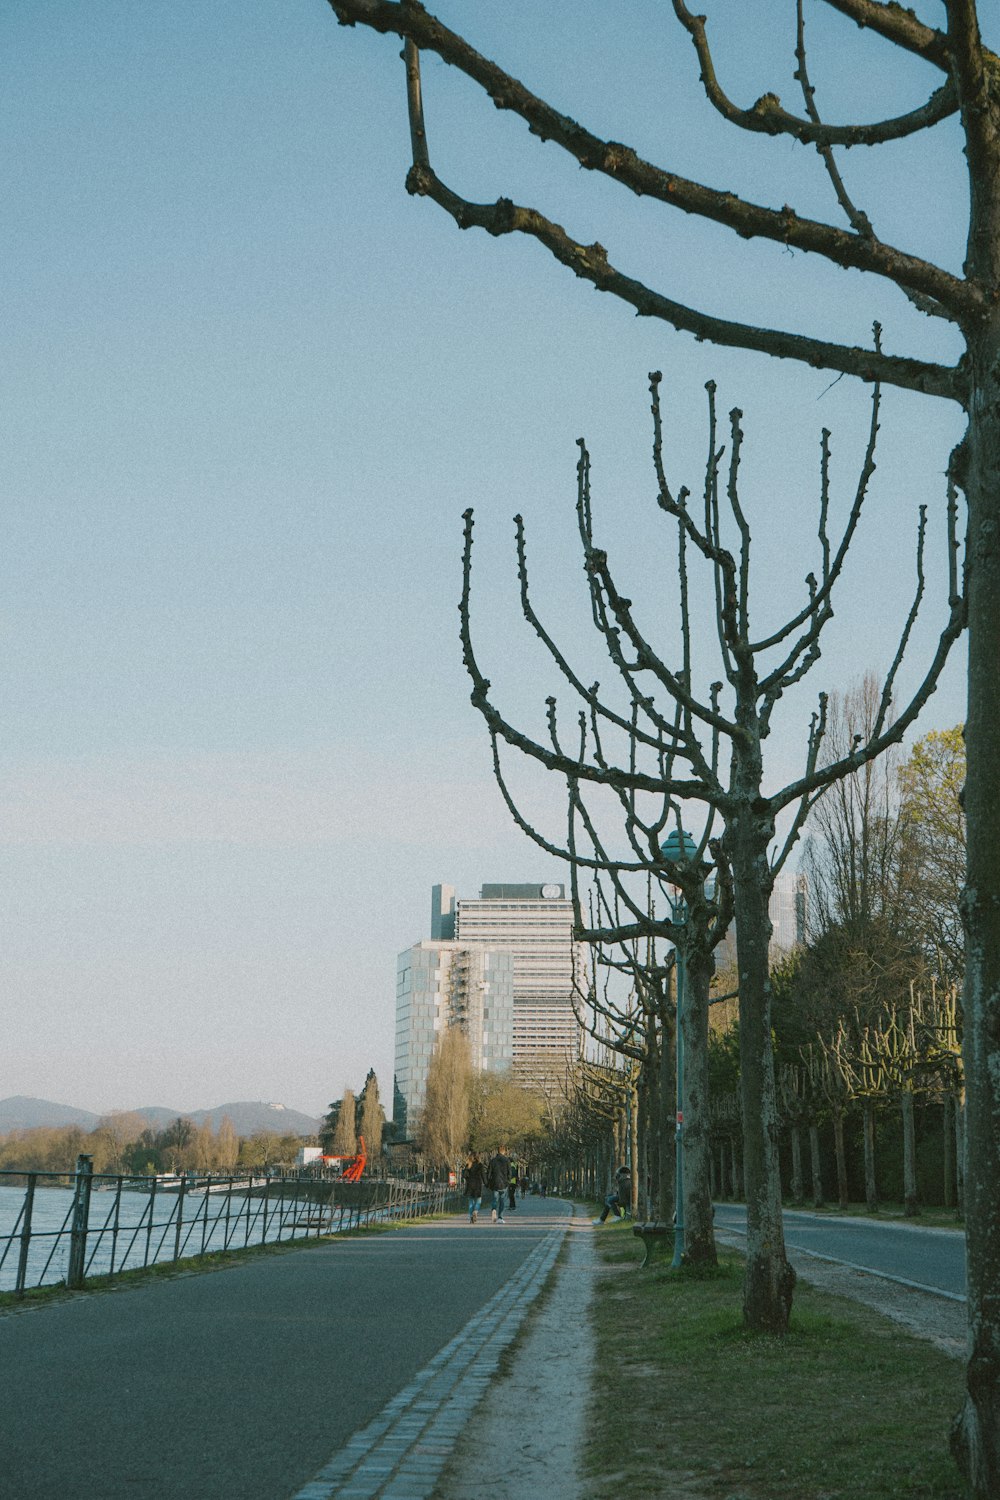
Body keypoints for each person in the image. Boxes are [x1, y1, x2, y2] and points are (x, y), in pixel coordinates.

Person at [486, 1145, 511, 1223]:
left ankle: (494, 1209)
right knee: (502, 1200)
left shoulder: (493, 1161)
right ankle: (500, 1217)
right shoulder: (507, 1161)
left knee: (494, 1199)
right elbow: (509, 1172)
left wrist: (489, 1182)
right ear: (504, 1151)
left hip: (495, 1183)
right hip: (504, 1183)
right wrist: (508, 1181)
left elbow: (489, 1173)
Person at [463, 1152, 486, 1224]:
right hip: (477, 1185)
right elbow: (483, 1175)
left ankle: (471, 1217)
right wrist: (486, 1183)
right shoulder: (480, 1165)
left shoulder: (468, 1165)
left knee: (471, 1202)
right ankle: (475, 1211)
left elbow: (464, 1175)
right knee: (478, 1200)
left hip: (470, 1185)